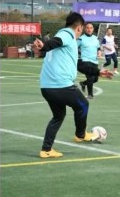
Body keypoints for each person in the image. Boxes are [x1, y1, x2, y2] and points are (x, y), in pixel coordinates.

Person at [33, 12, 96, 159]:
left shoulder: (66, 40)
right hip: (60, 86)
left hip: (46, 87)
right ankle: (81, 135)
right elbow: (55, 42)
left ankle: (46, 149)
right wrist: (44, 46)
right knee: (83, 105)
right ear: (79, 27)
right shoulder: (67, 35)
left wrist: (98, 72)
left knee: (58, 116)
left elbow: (79, 65)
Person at [77, 22, 101, 99]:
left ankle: (83, 83)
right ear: (85, 29)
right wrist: (79, 53)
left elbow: (98, 48)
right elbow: (74, 47)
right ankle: (90, 95)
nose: (89, 29)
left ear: (93, 29)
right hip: (86, 61)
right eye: (87, 28)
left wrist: (99, 53)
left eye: (90, 28)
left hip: (95, 61)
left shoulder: (95, 38)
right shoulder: (81, 38)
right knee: (90, 77)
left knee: (95, 79)